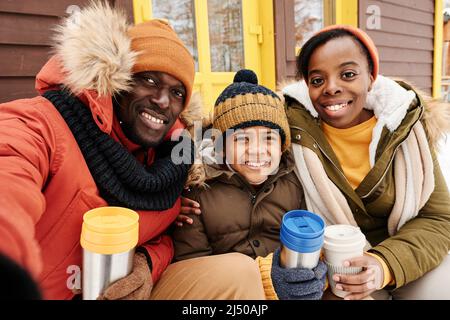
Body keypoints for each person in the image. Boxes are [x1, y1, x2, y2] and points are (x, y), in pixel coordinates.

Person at [0, 2, 198, 300]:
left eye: (177, 92)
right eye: (148, 79)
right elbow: (9, 171)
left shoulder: (171, 164)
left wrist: (146, 261)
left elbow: (163, 236)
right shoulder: (45, 123)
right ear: (117, 80)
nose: (162, 100)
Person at [281, 25, 450, 299]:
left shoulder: (404, 129)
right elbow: (240, 151)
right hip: (334, 268)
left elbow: (438, 217)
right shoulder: (292, 133)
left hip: (404, 255)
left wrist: (385, 264)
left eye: (347, 74)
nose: (331, 87)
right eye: (317, 80)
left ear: (371, 78)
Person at [152, 69, 327, 300]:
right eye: (242, 138)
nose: (256, 150)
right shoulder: (198, 191)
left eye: (268, 138)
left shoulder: (293, 182)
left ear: (282, 144)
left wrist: (311, 273)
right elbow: (196, 266)